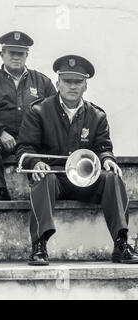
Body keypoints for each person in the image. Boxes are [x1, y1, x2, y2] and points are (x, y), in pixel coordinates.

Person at [16, 54, 138, 265]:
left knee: (113, 178)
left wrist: (108, 159)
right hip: (56, 178)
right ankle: (39, 245)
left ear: (85, 86)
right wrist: (35, 162)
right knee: (42, 179)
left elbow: (103, 147)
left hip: (87, 180)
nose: (72, 86)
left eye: (78, 82)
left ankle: (121, 243)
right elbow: (25, 147)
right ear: (58, 83)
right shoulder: (38, 111)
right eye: (67, 81)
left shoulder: (97, 115)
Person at [0, 31, 56, 200]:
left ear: (27, 55)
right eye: (11, 53)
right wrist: (0, 132)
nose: (16, 57)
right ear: (2, 54)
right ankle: (0, 189)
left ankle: (42, 191)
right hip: (3, 142)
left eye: (20, 54)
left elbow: (54, 113)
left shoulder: (42, 82)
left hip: (34, 143)